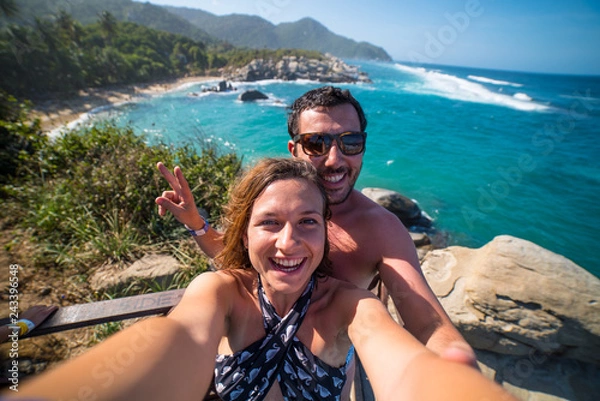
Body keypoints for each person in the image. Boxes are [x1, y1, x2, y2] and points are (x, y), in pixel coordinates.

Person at [14, 158, 514, 401]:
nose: (288, 242)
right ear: (246, 232)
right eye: (270, 223)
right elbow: (174, 338)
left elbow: (405, 369)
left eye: (308, 223)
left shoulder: (349, 306)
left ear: (325, 232)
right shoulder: (222, 291)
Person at [156, 86, 476, 365]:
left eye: (350, 141)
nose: (335, 159)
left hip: (321, 371)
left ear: (363, 145)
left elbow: (428, 326)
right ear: (294, 149)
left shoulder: (381, 230)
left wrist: (458, 374)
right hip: (248, 353)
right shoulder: (271, 200)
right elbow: (229, 256)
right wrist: (196, 224)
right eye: (316, 143)